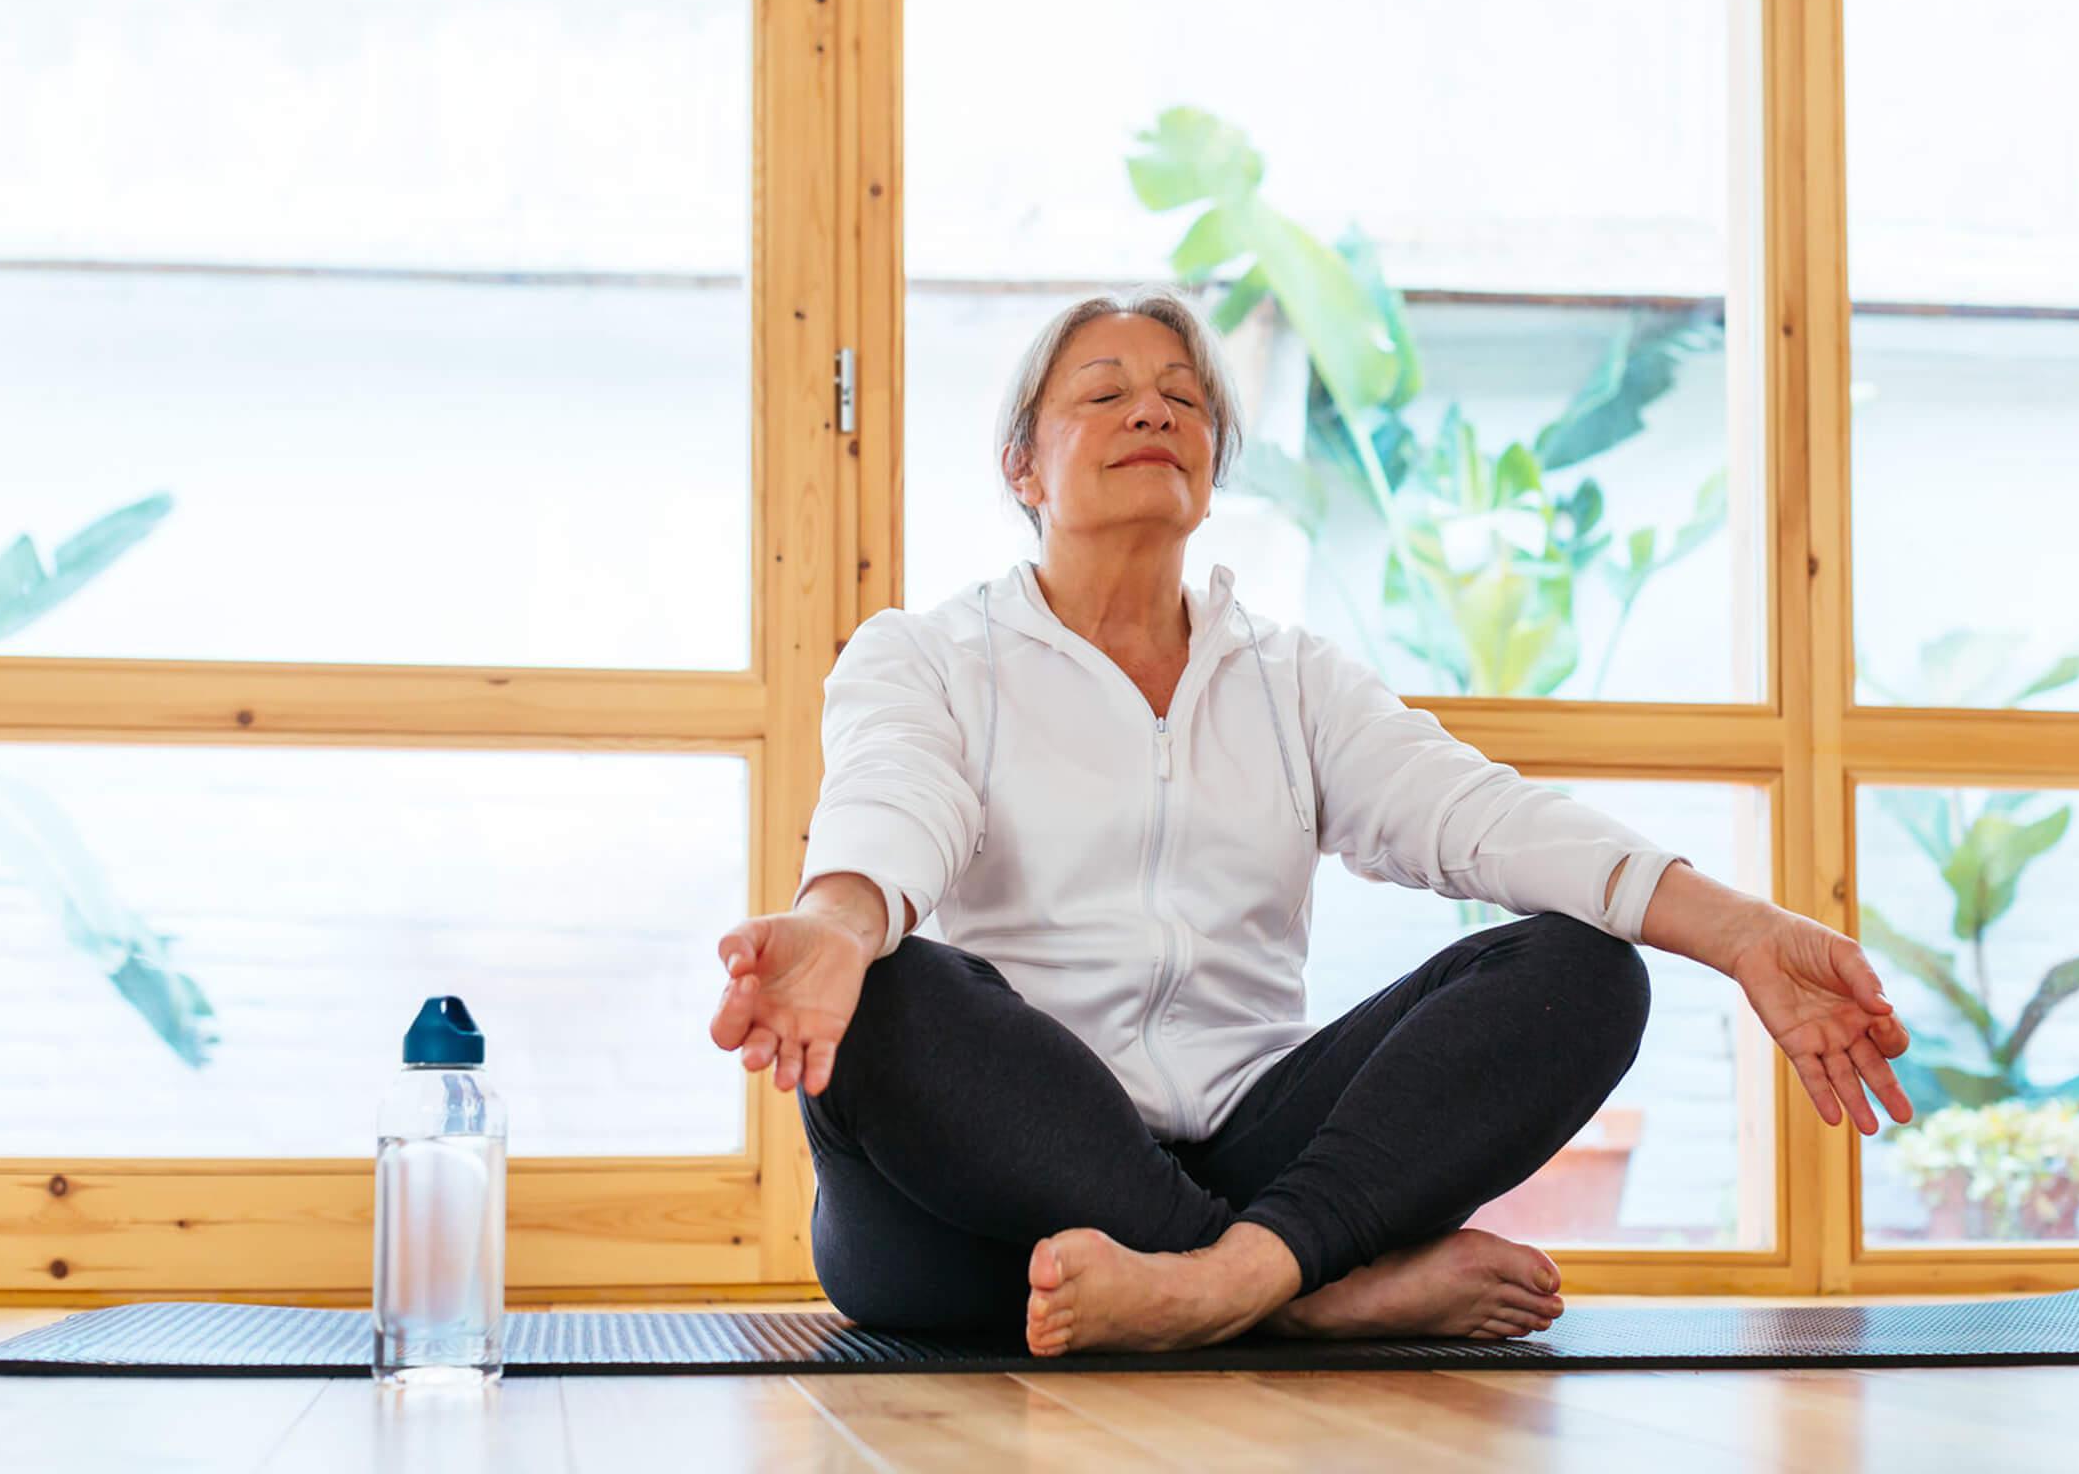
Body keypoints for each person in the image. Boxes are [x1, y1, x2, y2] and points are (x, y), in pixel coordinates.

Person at [709, 284, 1913, 1357]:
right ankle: (1305, 1298)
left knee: (1579, 969)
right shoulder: (927, 656)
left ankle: (1218, 1282)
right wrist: (837, 921)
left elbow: (1481, 816)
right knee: (898, 994)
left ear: (1215, 461)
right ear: (1023, 465)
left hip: (1248, 1144)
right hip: (984, 1207)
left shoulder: (1289, 679)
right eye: (1105, 391)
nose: (1153, 411)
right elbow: (894, 795)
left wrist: (1745, 932)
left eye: (1184, 396)